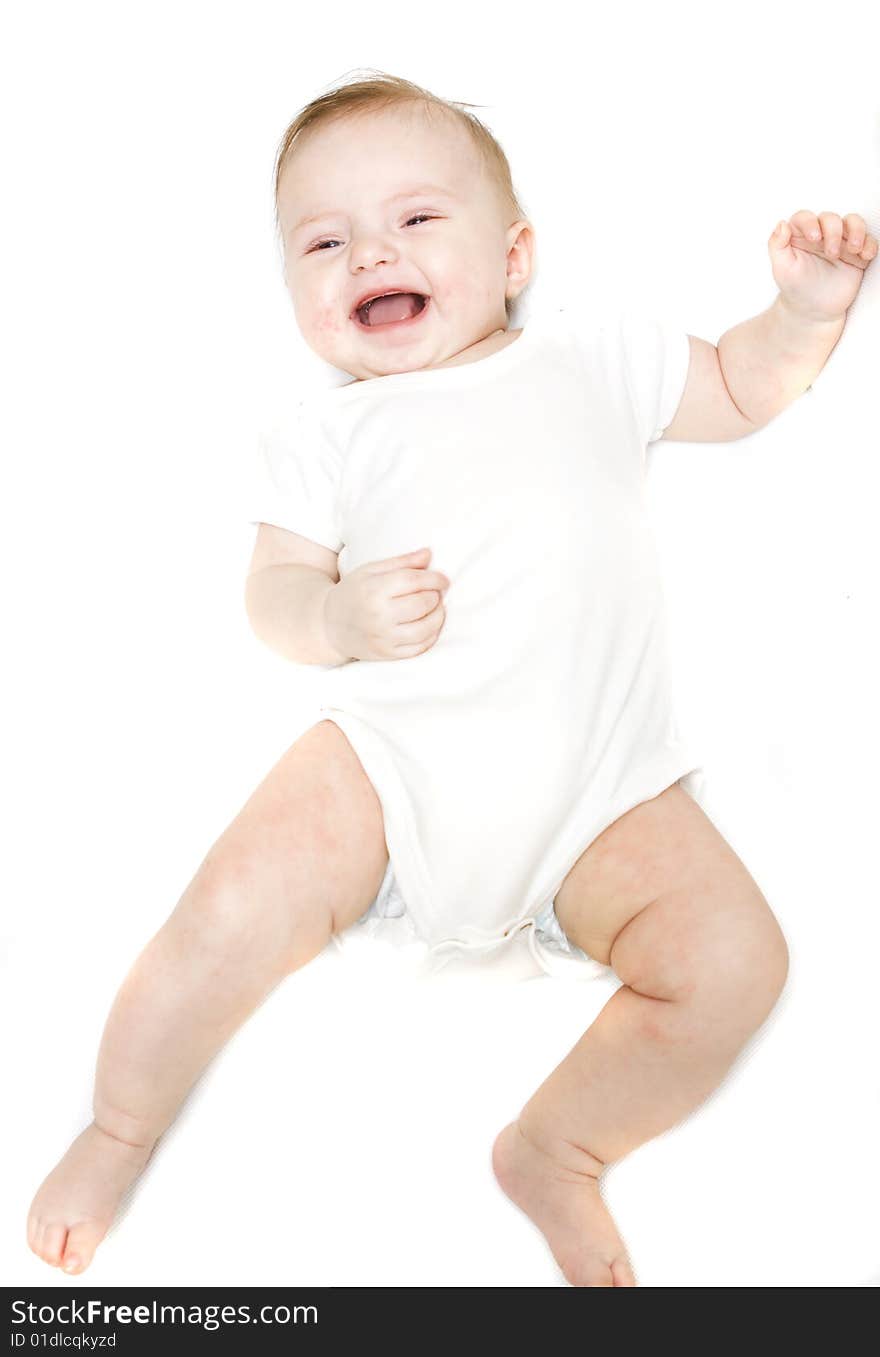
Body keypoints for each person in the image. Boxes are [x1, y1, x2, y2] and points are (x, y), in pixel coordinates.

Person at [26, 70, 876, 1287]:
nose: (370, 250)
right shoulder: (325, 435)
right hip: (392, 767)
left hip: (606, 791)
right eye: (324, 241)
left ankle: (558, 1144)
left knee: (738, 962)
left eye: (417, 219)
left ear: (515, 253)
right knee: (220, 916)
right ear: (294, 294)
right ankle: (118, 1127)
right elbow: (270, 599)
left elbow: (742, 389)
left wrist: (800, 312)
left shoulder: (594, 358)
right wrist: (337, 615)